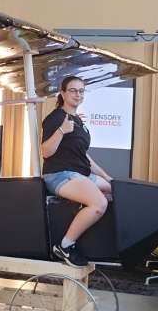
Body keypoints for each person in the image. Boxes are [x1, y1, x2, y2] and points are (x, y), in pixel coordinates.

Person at [41, 75, 112, 266]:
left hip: (80, 173)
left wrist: (107, 177)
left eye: (81, 91)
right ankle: (65, 246)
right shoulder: (56, 118)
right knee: (99, 203)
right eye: (73, 90)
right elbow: (46, 152)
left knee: (113, 190)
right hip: (60, 174)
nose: (78, 94)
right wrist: (61, 130)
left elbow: (84, 157)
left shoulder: (78, 121)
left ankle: (97, 243)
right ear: (63, 93)